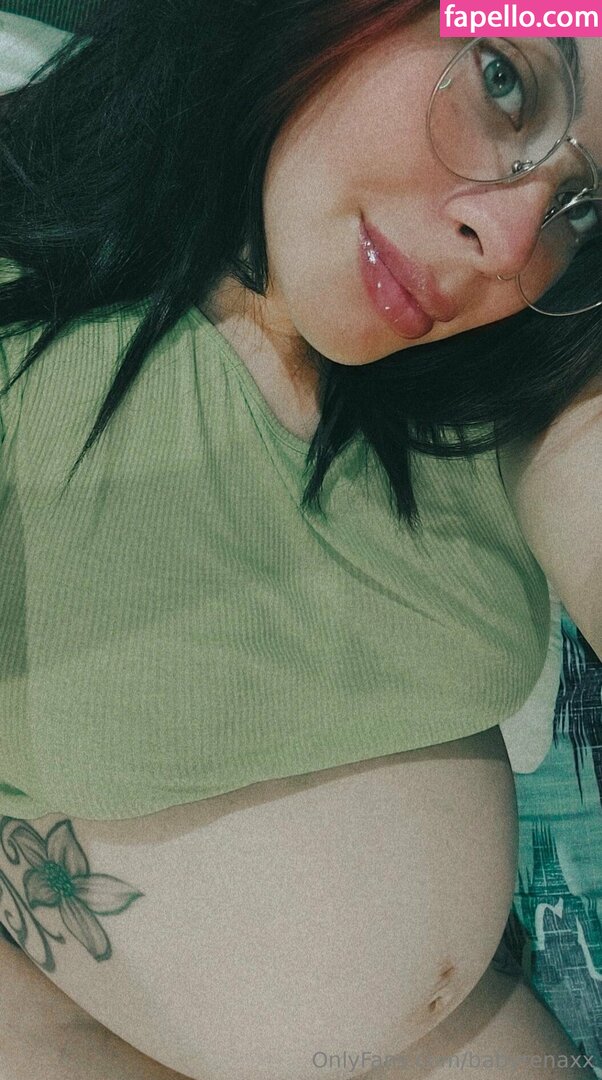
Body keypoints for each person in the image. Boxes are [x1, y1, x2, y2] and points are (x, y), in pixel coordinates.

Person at [0, 2, 600, 1078]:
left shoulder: (492, 390)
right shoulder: (35, 334)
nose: (513, 243)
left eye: (581, 204)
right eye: (504, 79)